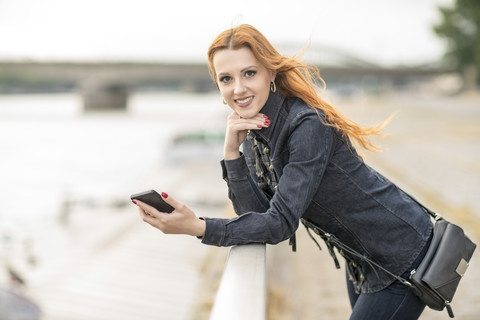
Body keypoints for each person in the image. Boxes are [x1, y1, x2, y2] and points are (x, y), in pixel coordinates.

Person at [132, 24, 433, 319]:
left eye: (249, 73)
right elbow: (257, 214)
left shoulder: (307, 125)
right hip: (363, 261)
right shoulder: (251, 129)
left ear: (270, 73)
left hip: (400, 252)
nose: (238, 89)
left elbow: (279, 224)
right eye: (226, 78)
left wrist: (199, 227)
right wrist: (231, 154)